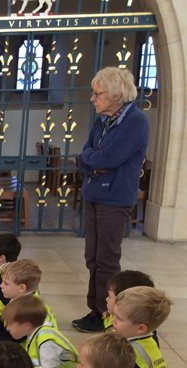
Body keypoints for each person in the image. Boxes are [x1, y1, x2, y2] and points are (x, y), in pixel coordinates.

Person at [73, 67, 150, 333]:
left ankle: (106, 313)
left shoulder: (135, 122)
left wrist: (94, 160)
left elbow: (109, 158)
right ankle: (95, 308)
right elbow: (85, 154)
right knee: (92, 257)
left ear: (116, 95)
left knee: (106, 258)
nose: (93, 98)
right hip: (95, 193)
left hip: (115, 199)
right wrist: (93, 161)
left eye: (98, 94)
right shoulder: (103, 120)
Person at [2, 295, 78, 368]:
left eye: (10, 324)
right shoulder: (34, 332)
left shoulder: (46, 341)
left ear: (26, 326)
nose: (7, 328)